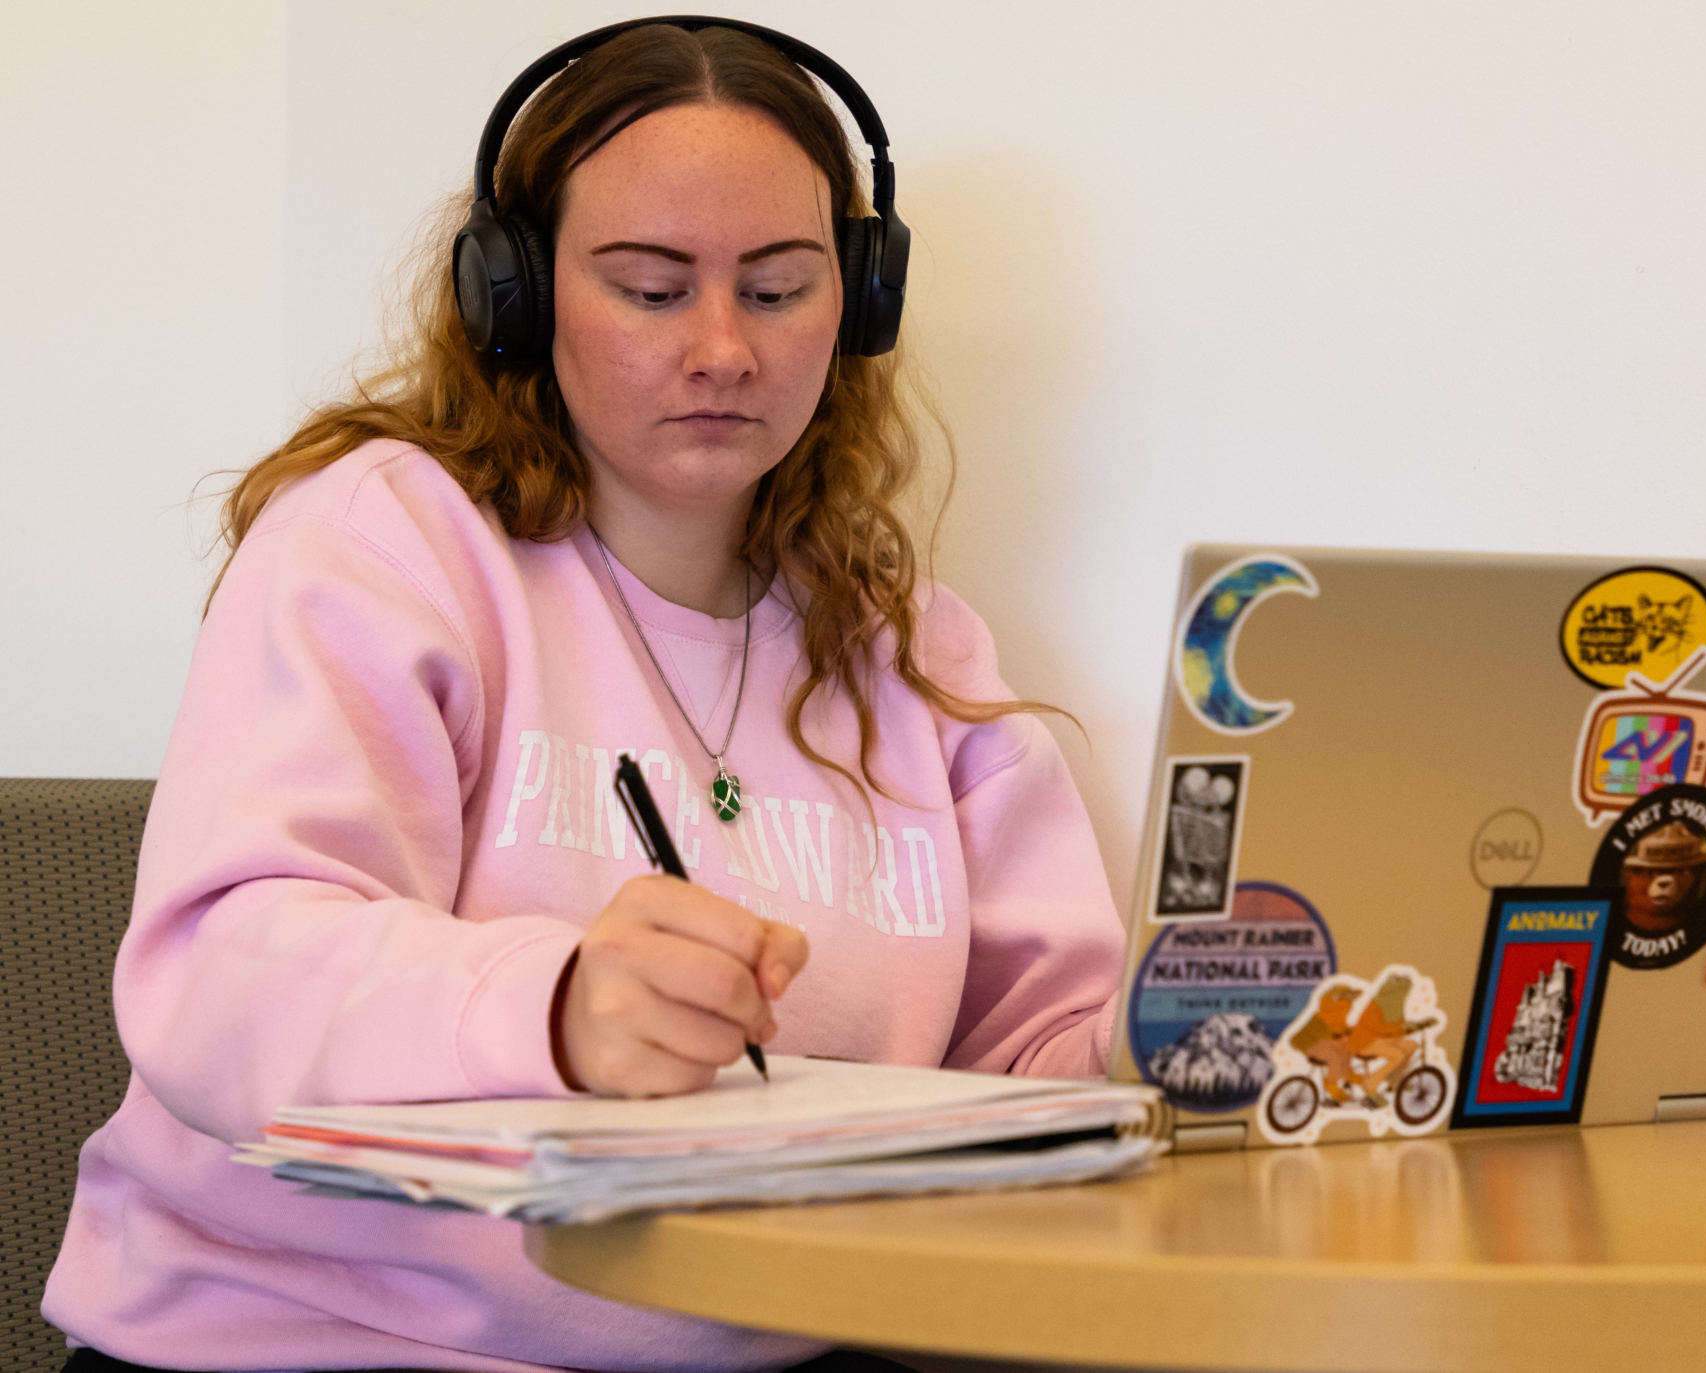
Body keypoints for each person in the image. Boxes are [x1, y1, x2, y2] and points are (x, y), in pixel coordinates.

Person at [45, 19, 1124, 1373]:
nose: (724, 347)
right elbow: (219, 972)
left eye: (779, 288)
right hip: (326, 1344)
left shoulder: (914, 647)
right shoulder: (387, 543)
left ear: (859, 302)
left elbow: (1023, 1073)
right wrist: (552, 1006)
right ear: (516, 292)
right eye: (652, 287)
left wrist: (1164, 1035)